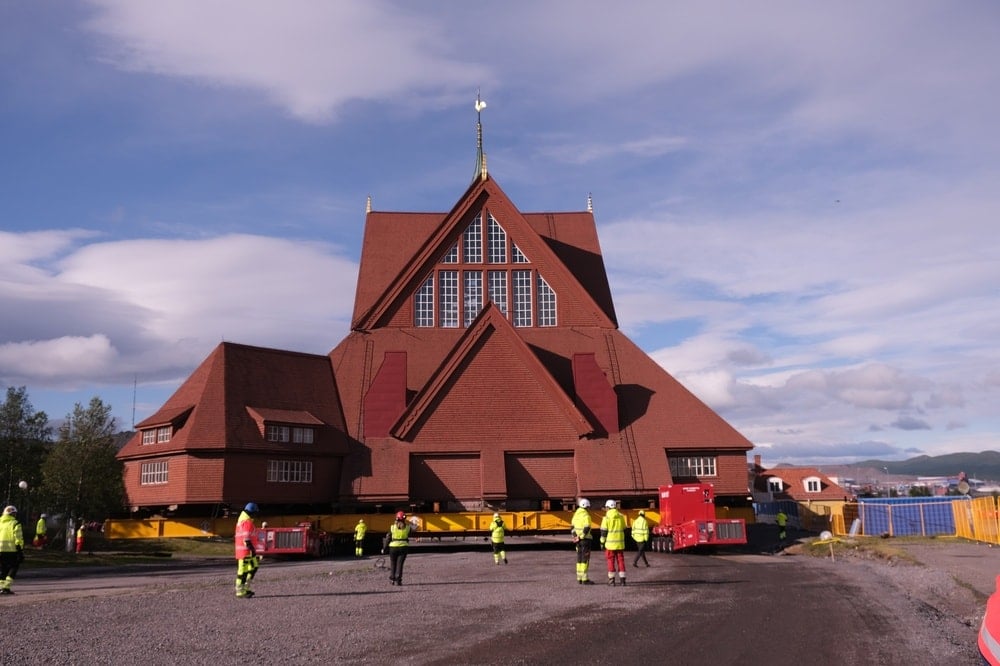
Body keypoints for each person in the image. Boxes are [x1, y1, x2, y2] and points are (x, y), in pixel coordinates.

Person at [234, 502, 261, 598]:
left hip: (244, 552)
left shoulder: (242, 521)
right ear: (252, 512)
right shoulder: (247, 523)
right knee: (245, 571)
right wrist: (252, 549)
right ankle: (241, 591)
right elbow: (246, 539)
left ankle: (244, 589)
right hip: (246, 552)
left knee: (252, 568)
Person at [600, 499, 627, 586]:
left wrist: (602, 542)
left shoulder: (606, 518)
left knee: (610, 561)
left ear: (607, 507)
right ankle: (623, 580)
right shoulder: (621, 517)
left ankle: (612, 581)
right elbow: (624, 528)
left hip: (610, 544)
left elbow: (604, 532)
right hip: (620, 544)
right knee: (621, 561)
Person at [382, 511, 411, 586]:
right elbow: (408, 535)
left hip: (393, 548)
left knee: (393, 564)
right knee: (400, 564)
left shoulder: (392, 527)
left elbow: (388, 538)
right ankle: (398, 580)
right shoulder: (408, 528)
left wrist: (384, 548)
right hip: (403, 547)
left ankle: (392, 579)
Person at [0, 505, 25, 595]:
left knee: (3, 569)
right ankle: (6, 588)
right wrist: (20, 551)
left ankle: (2, 588)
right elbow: (18, 538)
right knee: (13, 567)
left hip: (1, 551)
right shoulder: (15, 523)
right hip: (12, 550)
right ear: (13, 514)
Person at [571, 498, 594, 584]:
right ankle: (584, 579)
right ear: (586, 507)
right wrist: (581, 536)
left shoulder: (575, 515)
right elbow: (587, 527)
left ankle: (579, 578)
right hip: (585, 540)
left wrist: (575, 537)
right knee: (585, 559)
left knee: (579, 559)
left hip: (577, 541)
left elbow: (572, 528)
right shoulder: (586, 516)